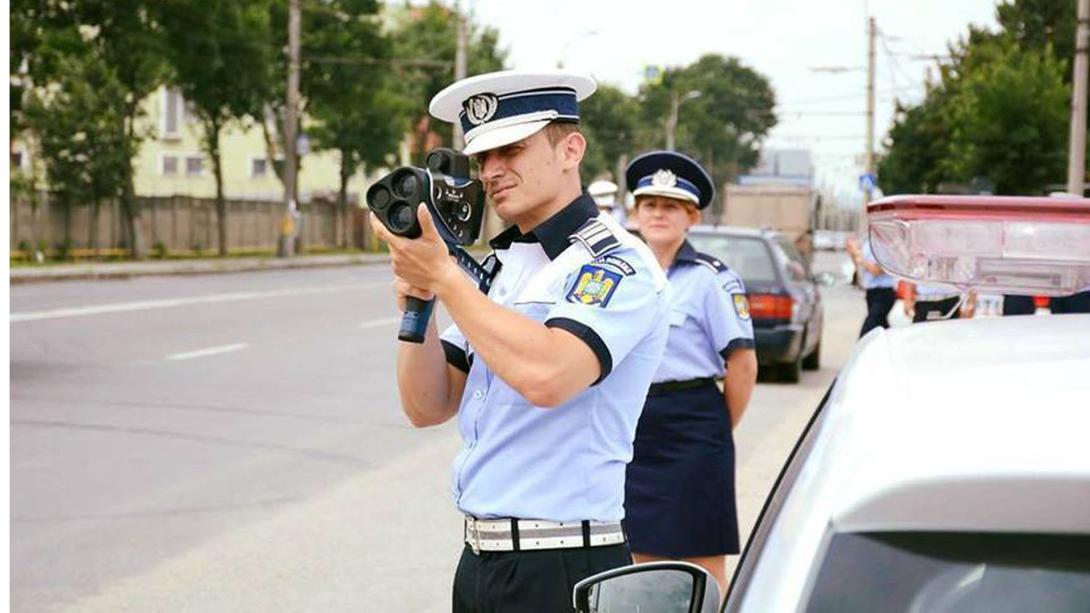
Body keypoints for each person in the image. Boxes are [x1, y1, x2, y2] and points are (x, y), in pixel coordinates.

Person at [372, 70, 671, 613]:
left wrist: (445, 279)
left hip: (564, 564)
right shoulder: (505, 268)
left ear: (570, 149)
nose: (491, 171)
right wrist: (420, 303)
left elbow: (550, 376)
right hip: (482, 561)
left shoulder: (614, 261)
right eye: (481, 156)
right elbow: (427, 405)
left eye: (510, 149)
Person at [621, 151, 759, 593]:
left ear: (692, 218)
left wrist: (717, 428)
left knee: (699, 558)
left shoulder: (711, 280)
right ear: (635, 212)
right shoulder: (620, 275)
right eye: (649, 205)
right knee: (632, 552)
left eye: (671, 207)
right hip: (628, 424)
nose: (658, 214)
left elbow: (742, 364)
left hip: (693, 425)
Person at [847, 234, 897, 337]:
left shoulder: (883, 244)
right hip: (871, 293)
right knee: (881, 329)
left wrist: (859, 257)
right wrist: (853, 253)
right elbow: (860, 267)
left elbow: (876, 270)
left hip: (884, 293)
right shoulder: (867, 242)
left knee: (867, 331)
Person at [904, 282, 976, 322]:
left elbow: (970, 273)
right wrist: (908, 299)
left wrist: (971, 302)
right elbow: (911, 271)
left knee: (951, 339)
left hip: (951, 301)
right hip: (924, 302)